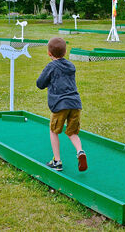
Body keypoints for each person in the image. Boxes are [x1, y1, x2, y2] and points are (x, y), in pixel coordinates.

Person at [36, 37, 87, 172]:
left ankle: (57, 161)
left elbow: (40, 84)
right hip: (75, 103)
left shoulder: (51, 66)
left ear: (49, 53)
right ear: (65, 53)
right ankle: (80, 151)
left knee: (54, 131)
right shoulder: (71, 66)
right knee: (72, 132)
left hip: (60, 104)